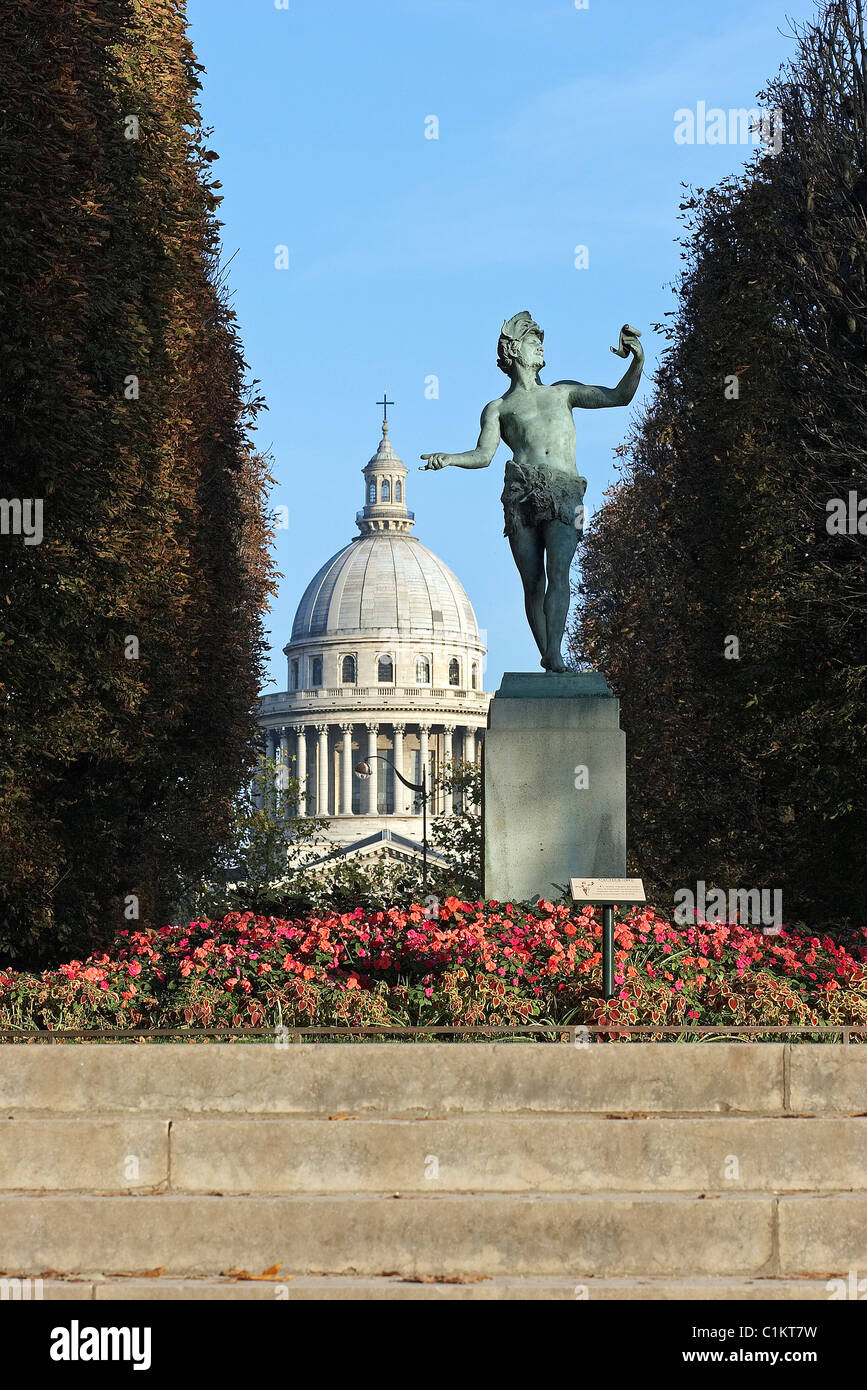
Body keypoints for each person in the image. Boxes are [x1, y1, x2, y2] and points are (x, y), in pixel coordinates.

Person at [421, 311, 644, 672]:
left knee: (559, 572)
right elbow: (483, 455)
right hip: (520, 493)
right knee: (531, 581)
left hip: (566, 491)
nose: (540, 346)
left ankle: (553, 652)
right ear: (513, 351)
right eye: (532, 341)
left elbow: (620, 396)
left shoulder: (563, 393)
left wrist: (638, 360)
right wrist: (449, 459)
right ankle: (549, 656)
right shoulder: (499, 407)